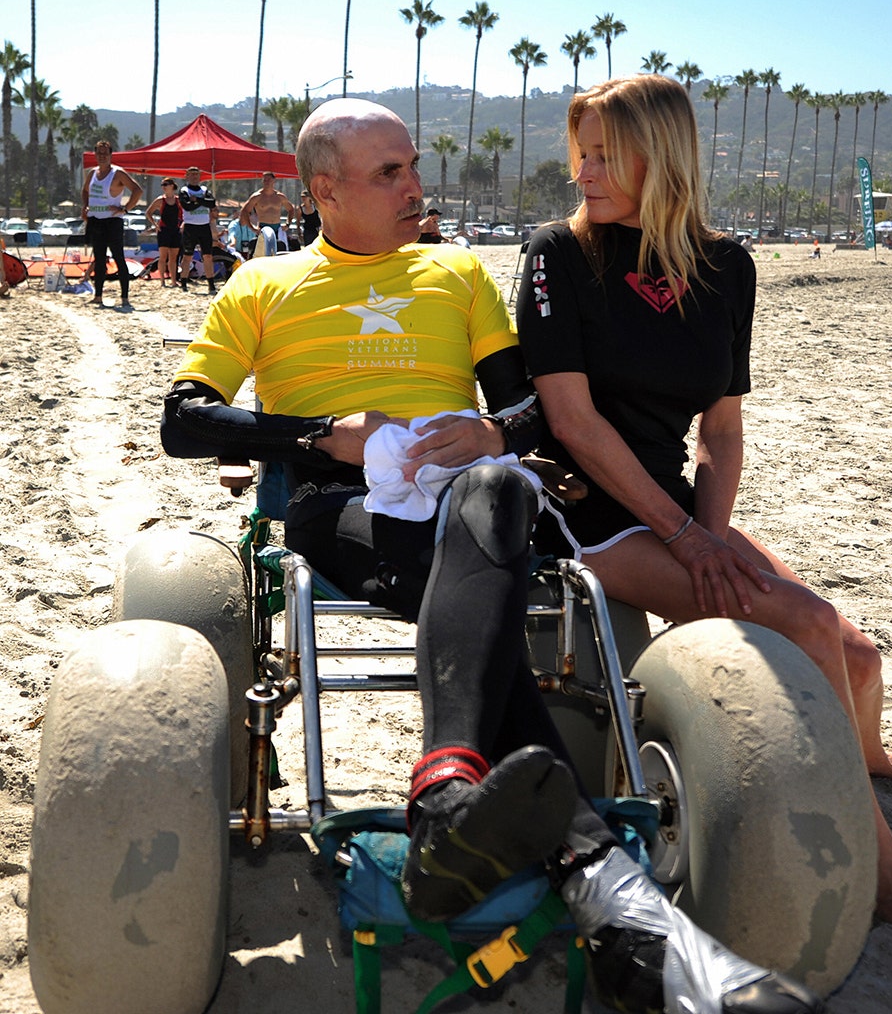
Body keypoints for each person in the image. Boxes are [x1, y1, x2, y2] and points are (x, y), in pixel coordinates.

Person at [160, 98, 819, 1014]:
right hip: (343, 514)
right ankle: (595, 878)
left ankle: (451, 803)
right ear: (325, 190)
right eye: (389, 172)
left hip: (474, 508)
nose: (415, 186)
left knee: (506, 486)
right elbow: (183, 420)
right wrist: (324, 437)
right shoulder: (261, 285)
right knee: (492, 576)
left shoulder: (456, 271)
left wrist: (485, 429)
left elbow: (526, 412)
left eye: (412, 166)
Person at [515, 75, 892, 942]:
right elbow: (573, 425)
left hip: (675, 505)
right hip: (582, 505)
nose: (584, 170)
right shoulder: (557, 257)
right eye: (581, 150)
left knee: (855, 651)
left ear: (667, 157)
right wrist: (688, 540)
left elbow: (720, 429)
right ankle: (883, 865)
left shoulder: (725, 265)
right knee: (801, 623)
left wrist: (711, 539)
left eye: (607, 153)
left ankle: (868, 761)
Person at [82, 141, 143, 312]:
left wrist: (125, 208)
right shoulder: (93, 173)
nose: (102, 156)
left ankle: (124, 297)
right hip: (95, 221)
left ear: (110, 155)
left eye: (105, 153)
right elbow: (85, 190)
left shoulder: (118, 173)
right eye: (99, 152)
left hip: (112, 221)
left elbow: (137, 190)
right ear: (95, 154)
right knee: (99, 260)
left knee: (119, 258)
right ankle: (98, 296)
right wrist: (85, 206)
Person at [178, 167, 220, 295]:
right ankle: (184, 282)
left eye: (197, 175)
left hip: (204, 226)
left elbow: (212, 203)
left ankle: (211, 284)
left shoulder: (204, 190)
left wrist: (197, 200)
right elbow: (187, 206)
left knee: (207, 256)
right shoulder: (184, 190)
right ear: (187, 176)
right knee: (187, 256)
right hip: (190, 226)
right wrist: (202, 202)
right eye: (192, 175)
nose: (195, 177)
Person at [238, 171, 299, 250]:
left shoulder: (280, 196)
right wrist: (252, 227)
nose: (266, 182)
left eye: (269, 180)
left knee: (279, 252)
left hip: (277, 228)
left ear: (274, 181)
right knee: (263, 252)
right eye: (264, 180)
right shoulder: (257, 196)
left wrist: (287, 224)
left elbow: (291, 209)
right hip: (263, 228)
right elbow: (245, 211)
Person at [145, 177, 183, 287]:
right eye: (162, 185)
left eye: (165, 184)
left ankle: (173, 280)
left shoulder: (178, 200)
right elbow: (148, 213)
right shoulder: (160, 200)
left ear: (172, 186)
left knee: (173, 258)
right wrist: (155, 225)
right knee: (162, 257)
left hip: (175, 230)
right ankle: (162, 281)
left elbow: (184, 214)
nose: (163, 187)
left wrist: (182, 225)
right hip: (164, 230)